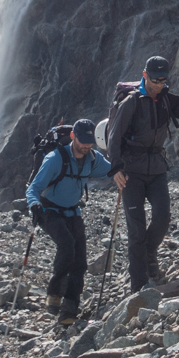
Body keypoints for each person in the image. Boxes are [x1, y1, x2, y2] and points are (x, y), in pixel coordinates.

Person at [25, 118, 124, 329]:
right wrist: (34, 205)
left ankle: (69, 311)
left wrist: (121, 173)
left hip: (73, 211)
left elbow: (113, 169)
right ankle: (54, 294)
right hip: (48, 210)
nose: (86, 146)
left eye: (89, 142)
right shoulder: (55, 159)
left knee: (80, 263)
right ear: (72, 136)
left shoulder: (92, 158)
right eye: (82, 141)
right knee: (67, 245)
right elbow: (33, 188)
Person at [108, 55, 179, 292]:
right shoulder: (131, 102)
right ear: (145, 75)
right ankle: (138, 286)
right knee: (136, 229)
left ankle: (148, 253)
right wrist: (115, 168)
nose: (158, 85)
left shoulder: (167, 98)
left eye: (163, 80)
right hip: (131, 171)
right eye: (155, 80)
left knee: (163, 217)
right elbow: (114, 138)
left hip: (157, 167)